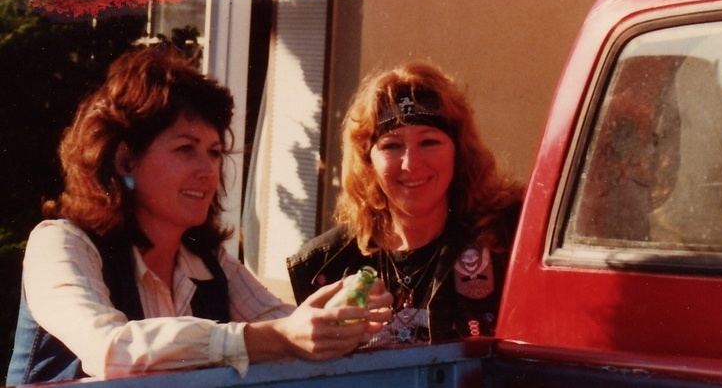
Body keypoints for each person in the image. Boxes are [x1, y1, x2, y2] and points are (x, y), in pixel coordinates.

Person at [6, 45, 392, 385]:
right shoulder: (61, 243)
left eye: (213, 152)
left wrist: (339, 317)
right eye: (185, 149)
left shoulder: (207, 262)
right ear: (125, 159)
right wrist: (272, 337)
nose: (208, 171)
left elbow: (286, 326)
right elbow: (113, 350)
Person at [287, 61, 523, 346]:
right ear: (367, 161)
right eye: (392, 145)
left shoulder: (507, 239)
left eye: (429, 142)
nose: (411, 164)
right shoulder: (323, 266)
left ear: (459, 152)